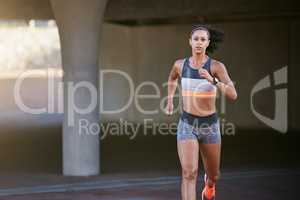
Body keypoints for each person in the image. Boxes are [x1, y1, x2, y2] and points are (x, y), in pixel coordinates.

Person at [166, 25, 237, 200]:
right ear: (190, 41)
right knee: (189, 173)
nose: (199, 43)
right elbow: (172, 78)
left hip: (209, 126)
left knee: (214, 174)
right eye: (196, 39)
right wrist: (169, 100)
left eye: (203, 39)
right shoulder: (179, 65)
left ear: (207, 43)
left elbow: (233, 94)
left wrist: (213, 81)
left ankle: (210, 185)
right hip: (187, 124)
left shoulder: (216, 67)